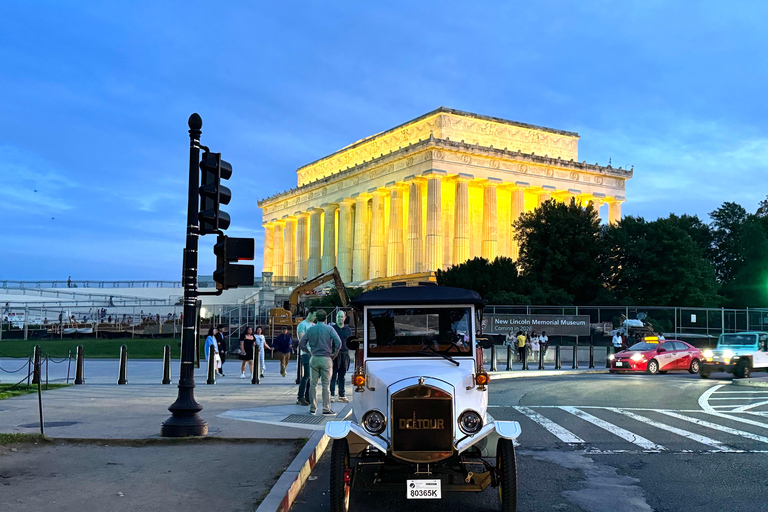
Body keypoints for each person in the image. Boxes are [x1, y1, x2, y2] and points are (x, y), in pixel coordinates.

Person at [299, 309, 341, 416]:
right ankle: (326, 408)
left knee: (313, 384)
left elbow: (302, 342)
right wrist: (335, 353)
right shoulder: (329, 329)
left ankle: (313, 408)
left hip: (314, 357)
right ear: (325, 318)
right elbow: (338, 342)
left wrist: (308, 352)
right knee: (326, 385)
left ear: (316, 318)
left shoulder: (311, 329)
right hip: (326, 358)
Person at [330, 311, 352, 403]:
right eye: (338, 317)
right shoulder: (332, 329)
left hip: (345, 354)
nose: (340, 318)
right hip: (335, 354)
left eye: (341, 317)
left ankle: (342, 395)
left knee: (342, 376)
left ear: (345, 318)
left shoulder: (348, 330)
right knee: (333, 375)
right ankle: (331, 394)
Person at [295, 312, 316, 406]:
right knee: (307, 374)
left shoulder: (314, 325)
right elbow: (302, 339)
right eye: (314, 315)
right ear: (310, 314)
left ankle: (308, 396)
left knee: (312, 376)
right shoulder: (302, 325)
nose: (315, 317)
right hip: (306, 353)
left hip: (314, 353)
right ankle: (300, 397)